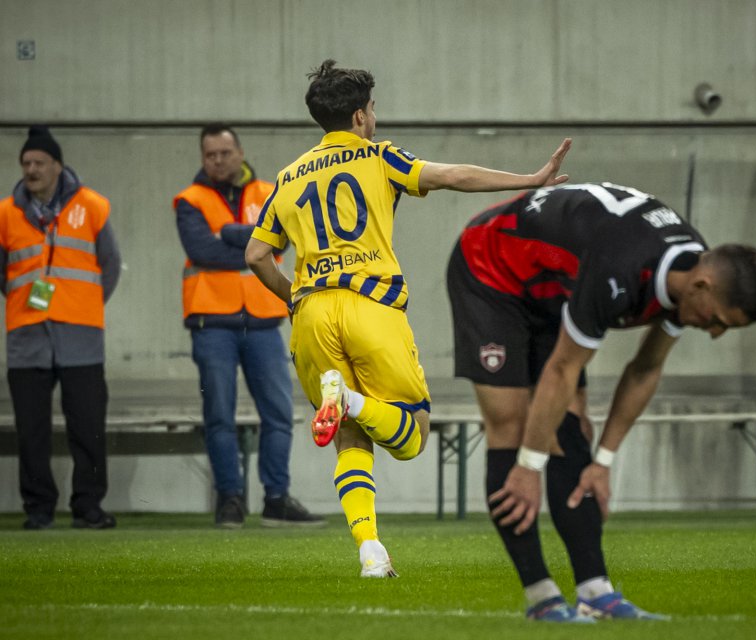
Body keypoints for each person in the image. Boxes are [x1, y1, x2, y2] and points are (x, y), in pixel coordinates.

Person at [245, 59, 571, 577]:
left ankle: (370, 550)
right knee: (413, 433)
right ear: (360, 115)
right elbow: (452, 175)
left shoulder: (287, 178)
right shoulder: (379, 156)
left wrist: (295, 299)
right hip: (369, 306)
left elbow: (257, 255)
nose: (375, 117)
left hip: (311, 315)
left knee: (351, 439)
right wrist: (530, 180)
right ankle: (350, 400)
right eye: (373, 109)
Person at [446, 182, 756, 621]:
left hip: (553, 284)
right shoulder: (622, 265)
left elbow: (645, 369)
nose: (714, 333)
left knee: (571, 430)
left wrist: (603, 461)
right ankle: (542, 597)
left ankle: (596, 592)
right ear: (701, 285)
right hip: (491, 265)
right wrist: (528, 467)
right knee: (512, 425)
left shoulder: (688, 274)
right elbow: (562, 370)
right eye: (717, 321)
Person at [172, 123, 325, 529]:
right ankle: (230, 499)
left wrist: (227, 233)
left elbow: (283, 242)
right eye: (210, 155)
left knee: (278, 413)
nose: (218, 161)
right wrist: (254, 243)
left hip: (263, 322)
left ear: (240, 153)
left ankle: (276, 499)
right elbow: (201, 251)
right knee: (219, 414)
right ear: (203, 158)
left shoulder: (269, 192)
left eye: (225, 153)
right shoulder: (189, 200)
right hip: (212, 323)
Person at [0, 125, 122, 530]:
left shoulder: (93, 206)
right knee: (31, 430)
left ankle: (88, 506)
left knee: (88, 427)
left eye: (39, 162)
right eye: (26, 163)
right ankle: (38, 508)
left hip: (81, 334)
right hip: (27, 336)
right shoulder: (6, 213)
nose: (31, 169)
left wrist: (83, 302)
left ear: (57, 166)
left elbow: (109, 265)